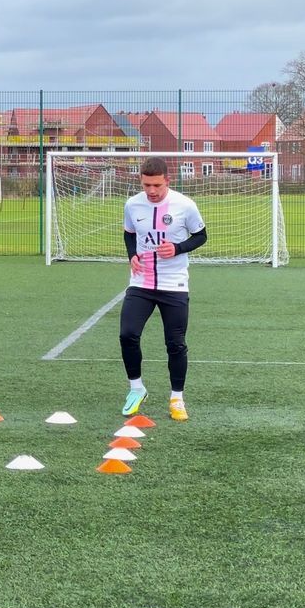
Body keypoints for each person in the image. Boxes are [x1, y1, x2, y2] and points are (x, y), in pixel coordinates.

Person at [119, 156, 207, 422]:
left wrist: (178, 248)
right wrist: (131, 254)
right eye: (147, 185)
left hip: (174, 284)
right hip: (142, 282)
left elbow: (201, 235)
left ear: (167, 181)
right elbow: (129, 233)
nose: (152, 191)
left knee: (175, 344)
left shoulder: (185, 206)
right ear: (141, 182)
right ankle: (136, 389)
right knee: (127, 334)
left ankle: (177, 398)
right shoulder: (133, 204)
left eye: (157, 185)